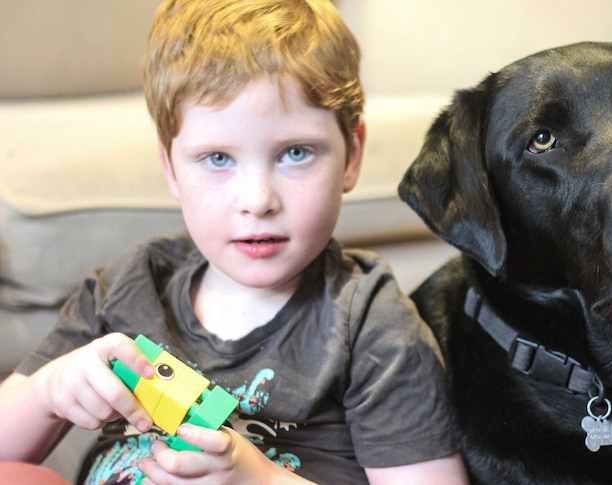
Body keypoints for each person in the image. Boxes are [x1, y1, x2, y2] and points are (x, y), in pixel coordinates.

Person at [0, 1, 469, 484]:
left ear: (352, 155)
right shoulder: (130, 286)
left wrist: (259, 478)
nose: (258, 200)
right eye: (218, 159)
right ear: (171, 169)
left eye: (295, 152)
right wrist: (49, 391)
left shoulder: (370, 324)